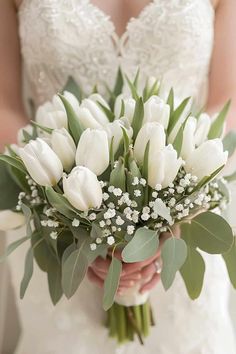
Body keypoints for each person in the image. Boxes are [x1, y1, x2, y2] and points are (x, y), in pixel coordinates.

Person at [0, 0, 236, 353]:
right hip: (57, 229)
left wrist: (173, 220)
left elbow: (226, 100)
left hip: (186, 224)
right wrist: (76, 226)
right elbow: (5, 105)